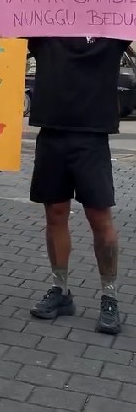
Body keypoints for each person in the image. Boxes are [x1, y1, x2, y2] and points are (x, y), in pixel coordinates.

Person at [22, 35, 129, 335]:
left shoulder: (111, 23)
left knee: (99, 217)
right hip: (52, 132)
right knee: (55, 214)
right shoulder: (45, 23)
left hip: (92, 136)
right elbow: (10, 37)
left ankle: (109, 296)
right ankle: (61, 290)